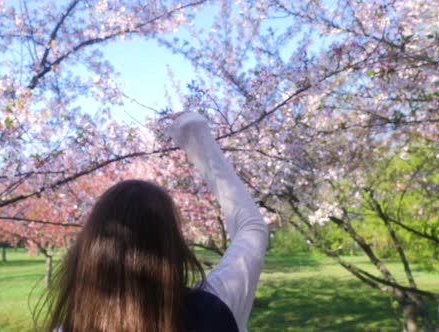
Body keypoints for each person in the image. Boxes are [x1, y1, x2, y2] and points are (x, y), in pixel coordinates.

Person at [40, 112, 268, 332]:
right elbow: (251, 228)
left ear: (90, 249)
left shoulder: (70, 327)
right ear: (172, 245)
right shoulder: (215, 306)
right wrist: (195, 134)